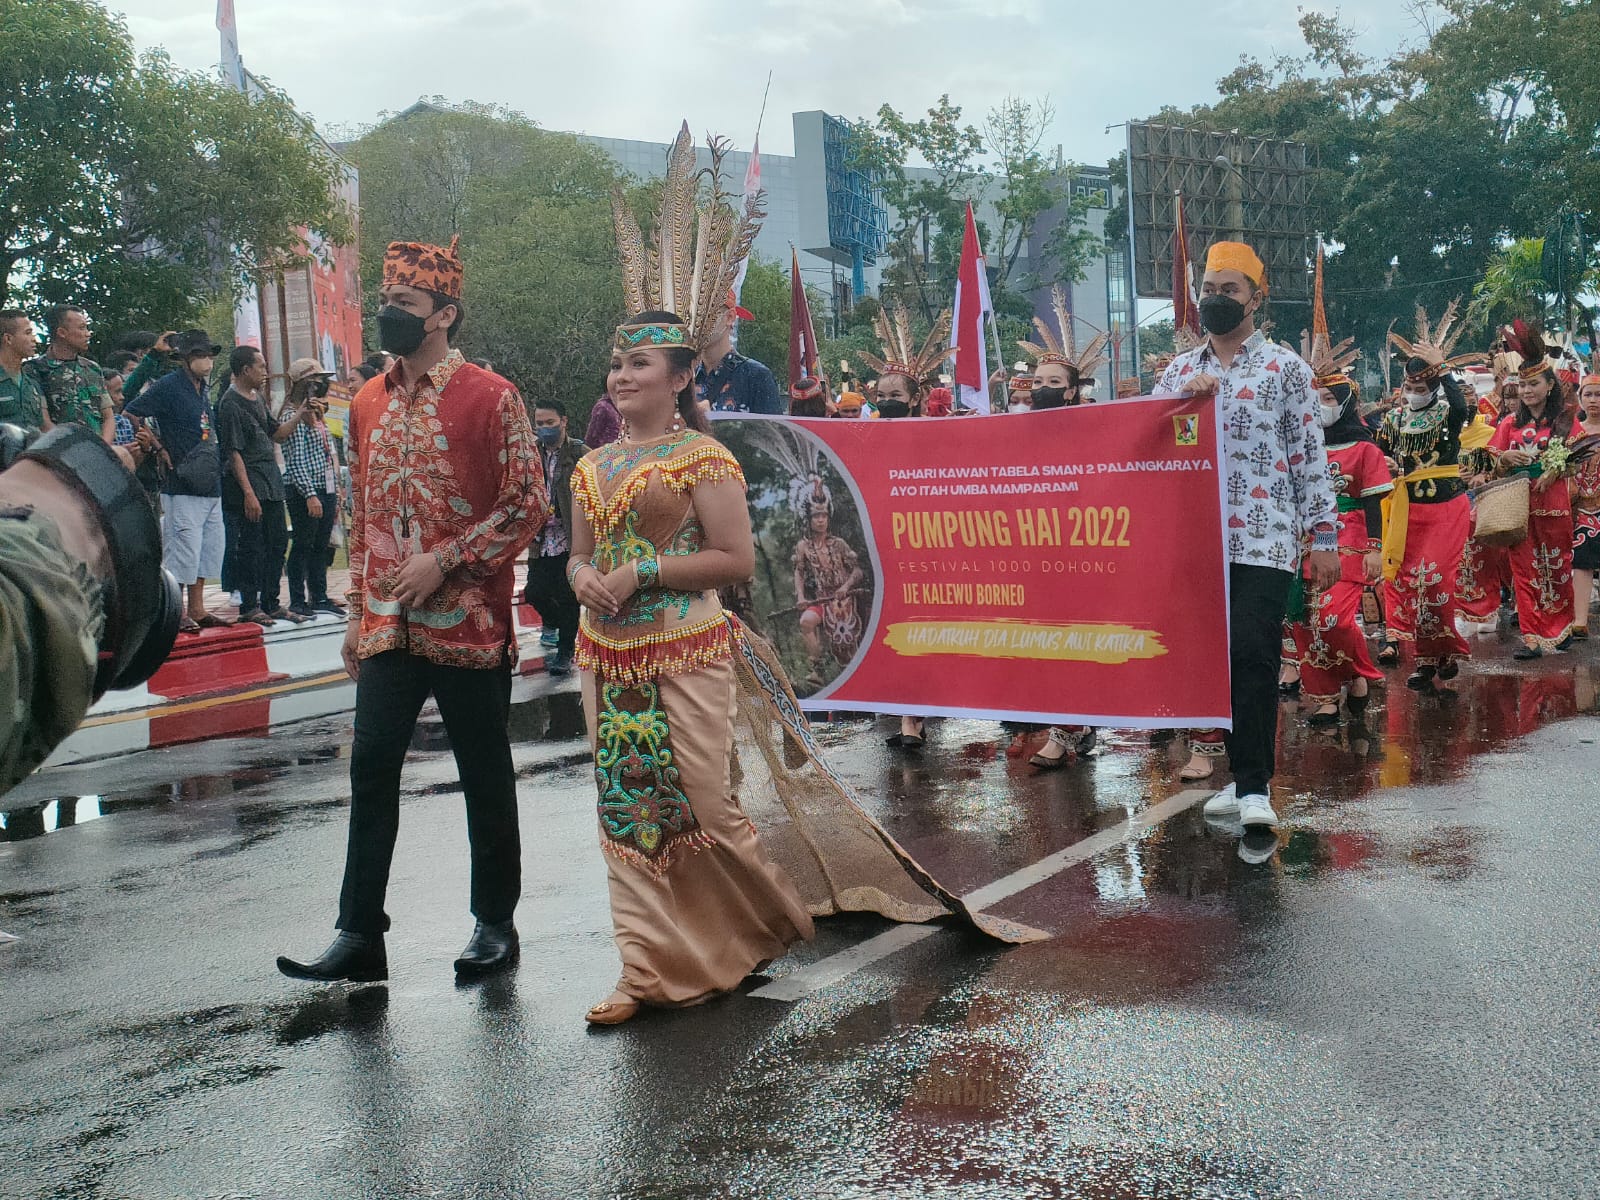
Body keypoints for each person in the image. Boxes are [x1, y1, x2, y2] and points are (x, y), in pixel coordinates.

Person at [578, 130, 1038, 1025]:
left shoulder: (705, 457)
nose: (620, 375)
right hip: (607, 658)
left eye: (639, 363)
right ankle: (642, 969)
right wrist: (584, 580)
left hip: (685, 649)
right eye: (617, 362)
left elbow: (736, 562)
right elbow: (574, 553)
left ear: (678, 378)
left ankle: (750, 930)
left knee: (705, 802)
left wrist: (640, 571)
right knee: (627, 809)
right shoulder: (590, 465)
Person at [277, 235, 543, 985]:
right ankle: (360, 933)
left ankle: (494, 923)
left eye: (404, 306)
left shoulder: (493, 396)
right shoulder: (365, 400)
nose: (389, 316)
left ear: (444, 314)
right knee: (369, 767)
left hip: (470, 621)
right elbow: (361, 517)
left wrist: (448, 559)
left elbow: (530, 504)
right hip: (389, 624)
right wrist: (359, 616)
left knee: (484, 773)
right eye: (386, 303)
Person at [1158, 242, 1338, 830]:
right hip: (1195, 540)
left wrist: (1325, 536)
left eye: (1229, 290)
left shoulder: (1285, 368)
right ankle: (1239, 779)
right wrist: (1186, 408)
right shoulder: (1181, 371)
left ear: (1257, 298)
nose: (1215, 300)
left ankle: (1255, 786)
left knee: (1255, 654)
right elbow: (1151, 446)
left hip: (1265, 539)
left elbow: (1309, 455)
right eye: (1208, 290)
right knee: (1213, 661)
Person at [1014, 286, 1110, 768]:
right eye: (1036, 380)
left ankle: (1067, 730)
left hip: (1081, 552)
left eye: (1053, 381)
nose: (1042, 387)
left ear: (1072, 390)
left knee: (1071, 641)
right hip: (1033, 553)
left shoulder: (1094, 430)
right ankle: (1076, 725)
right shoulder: (1014, 433)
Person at [858, 301, 951, 748]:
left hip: (926, 550)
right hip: (884, 550)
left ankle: (915, 718)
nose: (886, 402)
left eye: (895, 396)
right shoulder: (865, 435)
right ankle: (906, 715)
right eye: (880, 395)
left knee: (921, 630)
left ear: (915, 398)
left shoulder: (939, 437)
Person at [1288, 333, 1391, 726]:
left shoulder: (1365, 450)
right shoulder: (1299, 445)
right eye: (1317, 400)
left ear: (1346, 404)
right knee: (1303, 620)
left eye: (1330, 400)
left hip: (1348, 539)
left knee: (1335, 619)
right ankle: (1326, 695)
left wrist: (1375, 548)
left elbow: (1372, 501)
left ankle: (1358, 672)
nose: (1321, 407)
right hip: (1304, 540)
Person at [1375, 307, 1478, 687]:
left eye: (1422, 388)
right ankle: (1424, 658)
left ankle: (1445, 651)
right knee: (1410, 582)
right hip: (1409, 510)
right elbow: (1378, 454)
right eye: (1410, 388)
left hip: (1447, 509)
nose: (1414, 394)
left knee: (1435, 581)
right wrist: (1383, 463)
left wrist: (1445, 369)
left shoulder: (1449, 412)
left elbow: (1464, 407)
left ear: (1433, 387)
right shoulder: (1394, 420)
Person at [125, 330, 237, 634]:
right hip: (182, 481)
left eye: (210, 355)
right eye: (201, 355)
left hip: (208, 480)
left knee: (208, 548)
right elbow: (131, 408)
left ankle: (198, 608)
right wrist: (157, 446)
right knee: (183, 548)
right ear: (186, 359)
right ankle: (177, 610)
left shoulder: (202, 388)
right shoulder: (168, 386)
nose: (208, 361)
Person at [1488, 321, 1582, 658]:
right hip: (1517, 507)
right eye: (1522, 385)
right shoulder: (1510, 423)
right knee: (1523, 572)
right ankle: (1530, 636)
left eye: (1533, 384)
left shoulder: (1567, 419)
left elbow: (1578, 457)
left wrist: (1556, 469)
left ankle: (1560, 626)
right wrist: (1504, 458)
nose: (1526, 391)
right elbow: (1489, 458)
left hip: (1554, 504)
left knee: (1556, 568)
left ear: (1549, 385)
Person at [218, 346, 312, 627]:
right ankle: (250, 605)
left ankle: (271, 602)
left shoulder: (257, 397)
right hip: (251, 484)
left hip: (271, 482)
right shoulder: (230, 403)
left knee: (277, 543)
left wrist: (299, 413)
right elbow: (233, 453)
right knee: (251, 547)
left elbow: (278, 435)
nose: (265, 372)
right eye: (260, 366)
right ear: (245, 370)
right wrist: (248, 493)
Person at [523, 398, 588, 676]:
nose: (545, 428)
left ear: (564, 421)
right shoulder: (529, 453)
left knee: (567, 596)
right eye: (539, 423)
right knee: (534, 592)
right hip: (540, 539)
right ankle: (554, 623)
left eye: (550, 423)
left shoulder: (580, 453)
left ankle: (565, 651)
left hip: (569, 538)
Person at [281, 357, 345, 618]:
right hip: (304, 490)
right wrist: (310, 495)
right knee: (303, 544)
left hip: (325, 487)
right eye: (314, 381)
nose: (320, 385)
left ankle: (319, 595)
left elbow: (326, 452)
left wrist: (336, 490)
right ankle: (298, 599)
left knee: (321, 545)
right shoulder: (291, 416)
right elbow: (295, 460)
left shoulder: (317, 414)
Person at [792, 494, 865, 684]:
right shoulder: (803, 547)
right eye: (816, 516)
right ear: (809, 520)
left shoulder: (839, 544)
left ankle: (858, 675)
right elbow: (799, 572)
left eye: (824, 515)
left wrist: (845, 586)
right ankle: (817, 669)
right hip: (822, 600)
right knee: (806, 622)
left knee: (848, 646)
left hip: (846, 600)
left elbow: (857, 571)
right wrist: (800, 596)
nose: (821, 520)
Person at [27, 305, 113, 443]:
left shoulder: (92, 368)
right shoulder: (35, 370)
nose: (88, 333)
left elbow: (108, 416)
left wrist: (103, 447)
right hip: (59, 451)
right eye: (81, 327)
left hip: (98, 451)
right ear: (62, 332)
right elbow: (43, 422)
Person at [696, 297, 783, 415]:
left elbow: (773, 431)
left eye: (705, 314)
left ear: (729, 317)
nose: (697, 322)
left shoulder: (756, 377)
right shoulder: (684, 377)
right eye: (691, 314)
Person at [1571, 366, 1600, 639]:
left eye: (1599, 395)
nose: (1593, 400)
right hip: (1581, 507)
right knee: (1582, 561)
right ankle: (1579, 620)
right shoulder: (1572, 432)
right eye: (1588, 394)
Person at [0, 310, 49, 435]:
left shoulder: (32, 385)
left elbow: (42, 427)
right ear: (8, 339)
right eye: (28, 333)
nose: (34, 340)